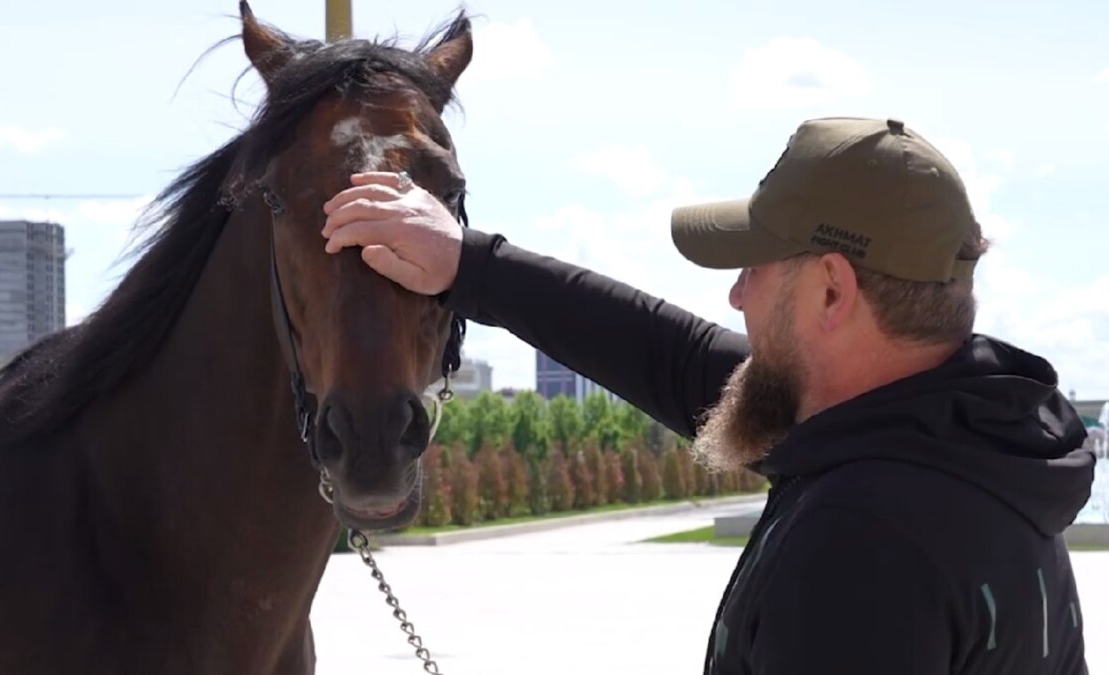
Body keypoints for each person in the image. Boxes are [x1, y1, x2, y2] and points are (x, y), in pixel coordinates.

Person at [319, 116, 1094, 674]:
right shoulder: (973, 448)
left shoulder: (863, 548)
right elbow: (675, 355)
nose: (735, 295)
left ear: (831, 290)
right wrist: (469, 265)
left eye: (755, 265)